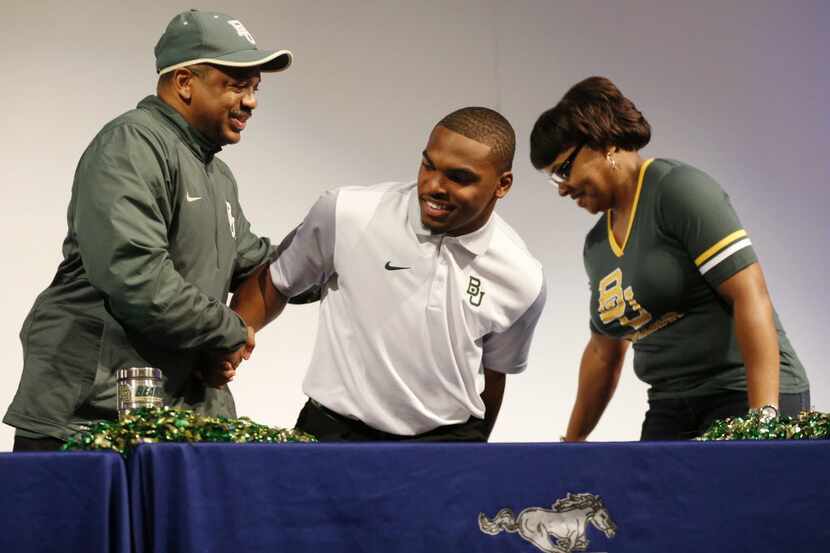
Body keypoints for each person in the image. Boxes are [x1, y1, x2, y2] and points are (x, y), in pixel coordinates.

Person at [4, 10, 293, 451]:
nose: (250, 101)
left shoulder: (216, 175)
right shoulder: (132, 145)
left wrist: (323, 250)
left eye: (254, 88)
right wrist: (232, 330)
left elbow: (252, 260)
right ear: (183, 82)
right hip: (87, 419)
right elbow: (137, 277)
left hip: (167, 416)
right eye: (236, 85)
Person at [232, 107, 547, 441]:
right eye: (428, 165)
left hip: (447, 447)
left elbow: (494, 376)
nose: (434, 186)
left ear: (503, 185)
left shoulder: (523, 278)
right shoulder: (347, 212)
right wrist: (227, 343)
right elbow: (276, 281)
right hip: (333, 434)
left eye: (459, 177)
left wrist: (472, 455)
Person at [530, 76, 810, 441]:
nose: (563, 188)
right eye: (554, 179)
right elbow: (604, 352)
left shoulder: (677, 190)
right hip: (670, 404)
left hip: (742, 392)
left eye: (564, 170)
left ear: (603, 142)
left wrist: (763, 420)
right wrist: (570, 444)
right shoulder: (596, 245)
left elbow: (750, 295)